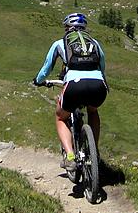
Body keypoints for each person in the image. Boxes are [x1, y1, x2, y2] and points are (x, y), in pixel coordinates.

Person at [33, 12, 108, 173]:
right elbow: (102, 66)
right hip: (98, 85)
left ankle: (70, 157)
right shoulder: (95, 43)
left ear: (67, 28)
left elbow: (47, 68)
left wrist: (38, 81)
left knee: (60, 117)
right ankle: (93, 151)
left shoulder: (60, 43)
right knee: (93, 112)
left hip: (74, 85)